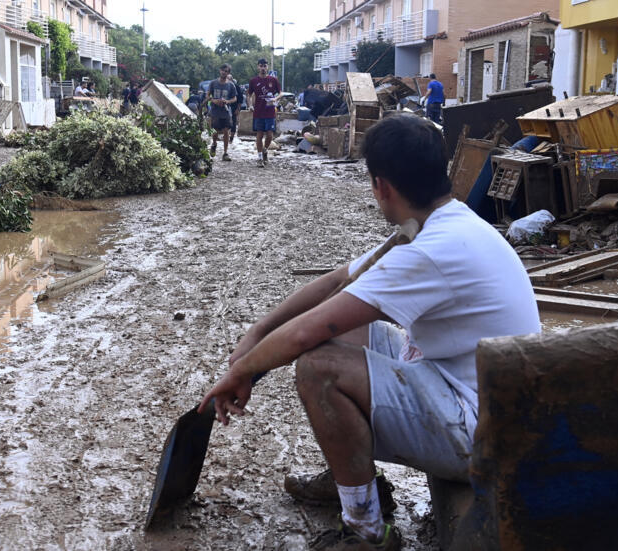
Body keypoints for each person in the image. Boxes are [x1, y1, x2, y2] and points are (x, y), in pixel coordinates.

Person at [198, 114, 540, 551]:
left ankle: (367, 532)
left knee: (319, 367)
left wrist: (242, 371)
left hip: (483, 433)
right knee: (340, 336)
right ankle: (355, 479)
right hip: (472, 392)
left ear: (382, 186)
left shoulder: (432, 250)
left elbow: (307, 334)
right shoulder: (442, 225)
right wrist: (257, 332)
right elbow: (335, 282)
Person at [248, 58, 281, 168]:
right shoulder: (253, 81)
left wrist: (275, 99)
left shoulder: (273, 80)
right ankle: (259, 158)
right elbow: (248, 94)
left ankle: (265, 150)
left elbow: (281, 93)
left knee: (270, 134)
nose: (263, 68)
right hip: (258, 112)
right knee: (259, 135)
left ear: (267, 67)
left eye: (265, 66)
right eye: (261, 66)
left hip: (270, 111)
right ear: (258, 67)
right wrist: (250, 105)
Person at [206, 64, 237, 162]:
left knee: (226, 131)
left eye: (226, 71)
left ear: (228, 73)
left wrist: (227, 101)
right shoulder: (213, 83)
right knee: (214, 131)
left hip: (226, 111)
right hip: (215, 111)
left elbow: (235, 98)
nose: (224, 72)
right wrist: (213, 100)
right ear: (220, 71)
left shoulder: (231, 85)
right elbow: (207, 95)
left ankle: (225, 152)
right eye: (223, 70)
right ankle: (214, 144)